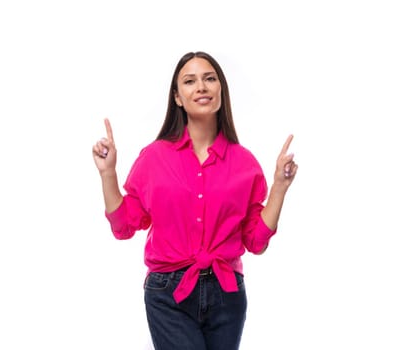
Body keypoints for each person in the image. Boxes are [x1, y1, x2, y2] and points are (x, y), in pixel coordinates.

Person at [92, 51, 298, 350]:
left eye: (209, 79)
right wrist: (107, 174)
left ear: (220, 90)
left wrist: (280, 186)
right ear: (177, 97)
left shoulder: (245, 164)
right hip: (168, 293)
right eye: (190, 81)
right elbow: (123, 226)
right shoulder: (154, 157)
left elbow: (256, 242)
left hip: (227, 293)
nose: (201, 86)